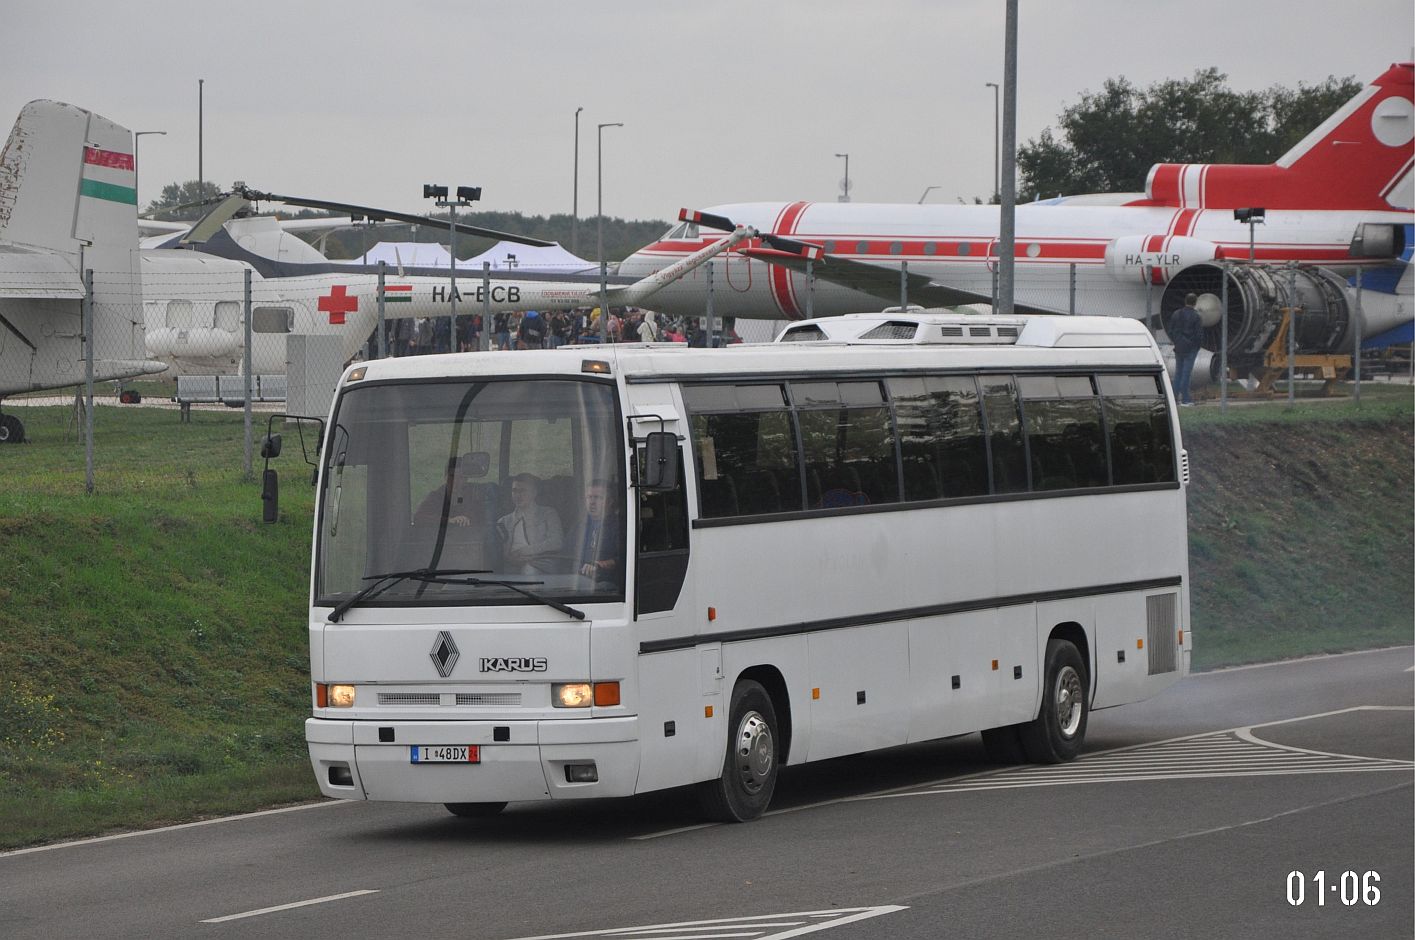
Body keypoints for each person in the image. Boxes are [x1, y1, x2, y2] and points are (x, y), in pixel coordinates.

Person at [495, 473, 564, 575]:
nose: (518, 495)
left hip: (541, 567)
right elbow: (499, 552)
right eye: (514, 491)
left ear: (534, 493)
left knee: (529, 571)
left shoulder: (548, 514)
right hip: (511, 571)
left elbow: (557, 542)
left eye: (522, 491)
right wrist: (510, 559)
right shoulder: (503, 521)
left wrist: (525, 551)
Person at [576, 478, 622, 588]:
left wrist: (600, 564)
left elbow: (624, 557)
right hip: (576, 579)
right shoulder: (579, 525)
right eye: (589, 497)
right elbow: (567, 550)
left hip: (606, 583)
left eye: (597, 498)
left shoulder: (619, 526)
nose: (592, 502)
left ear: (610, 501)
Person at [1169, 292, 1205, 406]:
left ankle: (1174, 398)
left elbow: (1171, 330)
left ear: (1185, 301)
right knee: (1186, 373)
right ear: (1195, 303)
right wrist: (1197, 346)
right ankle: (1185, 399)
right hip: (1191, 348)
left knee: (1178, 372)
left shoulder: (1176, 314)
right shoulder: (1196, 316)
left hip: (1179, 347)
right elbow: (1199, 334)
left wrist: (1177, 341)